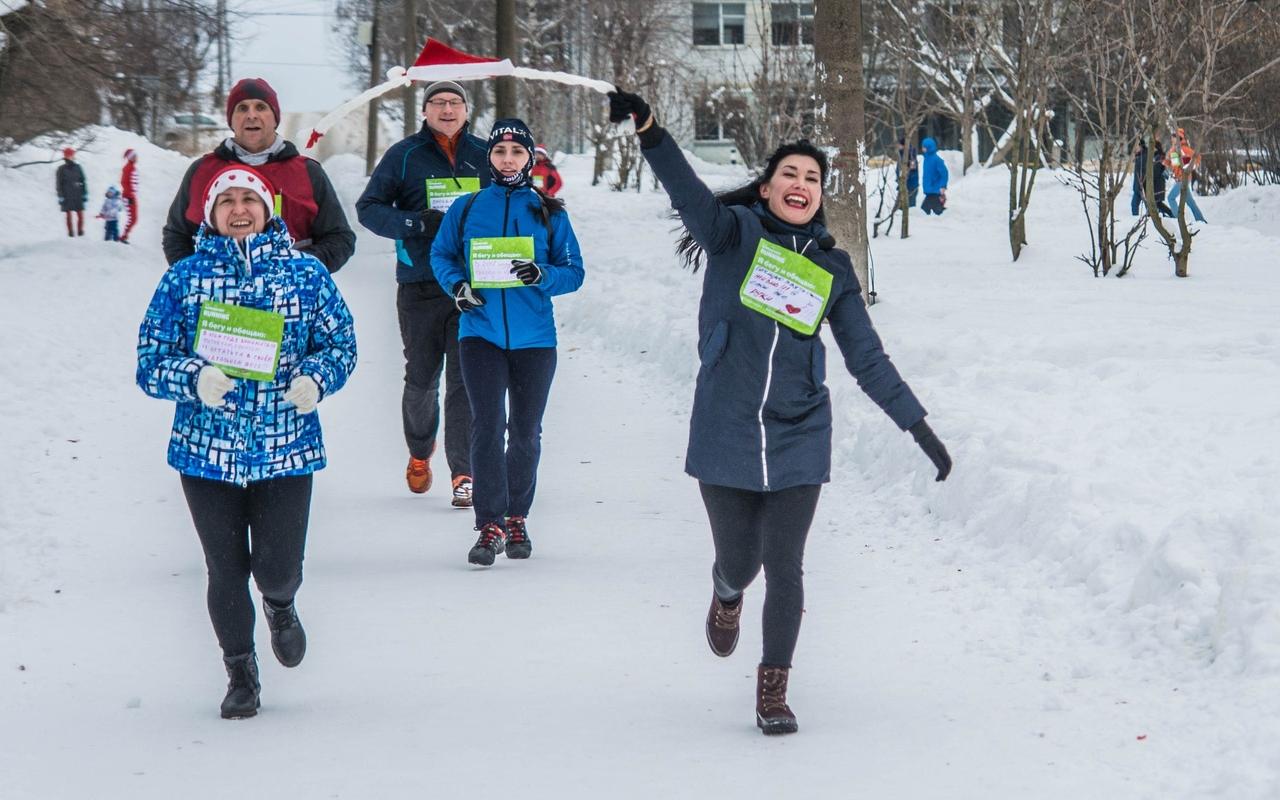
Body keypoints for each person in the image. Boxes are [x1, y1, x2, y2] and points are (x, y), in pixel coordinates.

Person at [607, 89, 952, 736]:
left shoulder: (832, 268)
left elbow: (866, 358)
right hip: (726, 426)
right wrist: (650, 130)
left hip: (799, 431)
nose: (801, 184)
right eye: (788, 174)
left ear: (821, 196)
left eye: (812, 178)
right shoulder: (731, 235)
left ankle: (773, 691)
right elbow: (684, 190)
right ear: (765, 190)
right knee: (743, 562)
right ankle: (726, 591)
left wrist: (918, 427)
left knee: (786, 563)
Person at [137, 164, 357, 719]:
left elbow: (342, 344)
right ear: (210, 214)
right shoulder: (183, 279)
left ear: (268, 209)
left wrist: (317, 379)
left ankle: (280, 604)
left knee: (276, 568)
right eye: (226, 200)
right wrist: (193, 378)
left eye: (249, 199)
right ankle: (240, 672)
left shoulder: (305, 274)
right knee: (225, 569)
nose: (239, 208)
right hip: (205, 451)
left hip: (286, 447)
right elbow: (149, 361)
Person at [430, 118, 584, 567]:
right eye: (500, 152)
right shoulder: (467, 206)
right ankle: (490, 523)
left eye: (517, 153)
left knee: (525, 433)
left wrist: (544, 276)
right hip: (480, 333)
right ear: (490, 158)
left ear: (530, 158)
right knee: (486, 426)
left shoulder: (549, 211)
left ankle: (518, 515)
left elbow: (574, 271)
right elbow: (441, 254)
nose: (508, 159)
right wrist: (458, 287)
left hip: (536, 338)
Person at [357, 80, 488, 506]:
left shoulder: (485, 155)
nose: (447, 109)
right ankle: (419, 452)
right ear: (425, 111)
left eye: (455, 103)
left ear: (467, 111)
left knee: (465, 381)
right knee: (421, 379)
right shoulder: (404, 155)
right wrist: (415, 224)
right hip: (420, 283)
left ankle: (464, 471)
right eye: (438, 103)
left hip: (472, 283)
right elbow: (369, 208)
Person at [163, 77, 356, 272]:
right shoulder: (201, 171)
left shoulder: (308, 172)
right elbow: (176, 235)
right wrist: (194, 278)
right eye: (242, 108)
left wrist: (300, 269)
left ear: (275, 118)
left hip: (291, 296)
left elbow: (340, 238)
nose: (251, 115)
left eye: (261, 107)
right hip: (216, 298)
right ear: (231, 119)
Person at [1165, 127, 1207, 224]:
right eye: (1172, 137)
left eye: (1174, 137)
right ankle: (1201, 220)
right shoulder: (1174, 149)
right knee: (1190, 202)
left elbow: (1197, 157)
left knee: (1171, 198)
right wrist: (1166, 162)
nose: (1172, 138)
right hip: (1180, 178)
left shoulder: (1184, 149)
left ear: (1179, 138)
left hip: (1183, 178)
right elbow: (1175, 165)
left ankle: (1177, 219)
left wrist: (1190, 166)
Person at [56, 147, 87, 237]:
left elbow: (83, 181)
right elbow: (59, 184)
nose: (72, 156)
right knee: (68, 215)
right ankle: (70, 233)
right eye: (70, 155)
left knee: (80, 215)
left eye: (73, 155)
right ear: (66, 156)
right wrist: (60, 195)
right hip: (67, 194)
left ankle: (80, 231)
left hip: (78, 194)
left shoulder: (78, 167)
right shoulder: (61, 169)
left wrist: (84, 193)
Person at [920, 136, 948, 215]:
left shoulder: (937, 160)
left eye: (924, 147)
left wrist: (943, 186)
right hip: (929, 188)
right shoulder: (926, 158)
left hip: (935, 189)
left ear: (929, 148)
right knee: (930, 210)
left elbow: (944, 173)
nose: (922, 149)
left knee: (925, 210)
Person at [120, 148, 139, 244]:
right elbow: (123, 182)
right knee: (133, 218)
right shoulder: (128, 168)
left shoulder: (131, 167)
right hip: (128, 197)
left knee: (134, 218)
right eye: (134, 156)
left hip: (131, 196)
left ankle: (124, 236)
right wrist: (130, 196)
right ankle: (123, 237)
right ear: (131, 157)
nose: (137, 158)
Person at [895, 138, 918, 208]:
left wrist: (904, 179)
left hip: (910, 187)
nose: (898, 146)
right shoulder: (901, 154)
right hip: (903, 185)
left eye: (900, 145)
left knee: (909, 208)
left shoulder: (911, 155)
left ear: (904, 146)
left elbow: (912, 171)